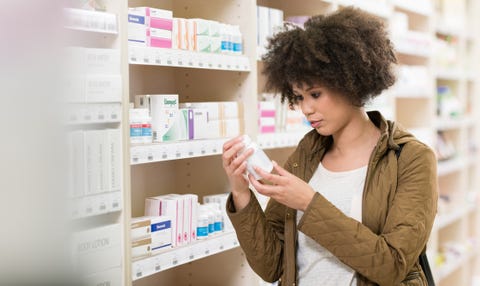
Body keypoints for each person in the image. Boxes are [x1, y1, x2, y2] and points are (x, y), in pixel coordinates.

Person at [221, 7, 438, 286]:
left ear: (350, 81)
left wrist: (309, 203)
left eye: (315, 94)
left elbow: (391, 266)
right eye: (298, 97)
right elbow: (271, 265)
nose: (306, 108)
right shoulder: (307, 154)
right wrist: (241, 193)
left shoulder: (411, 159)